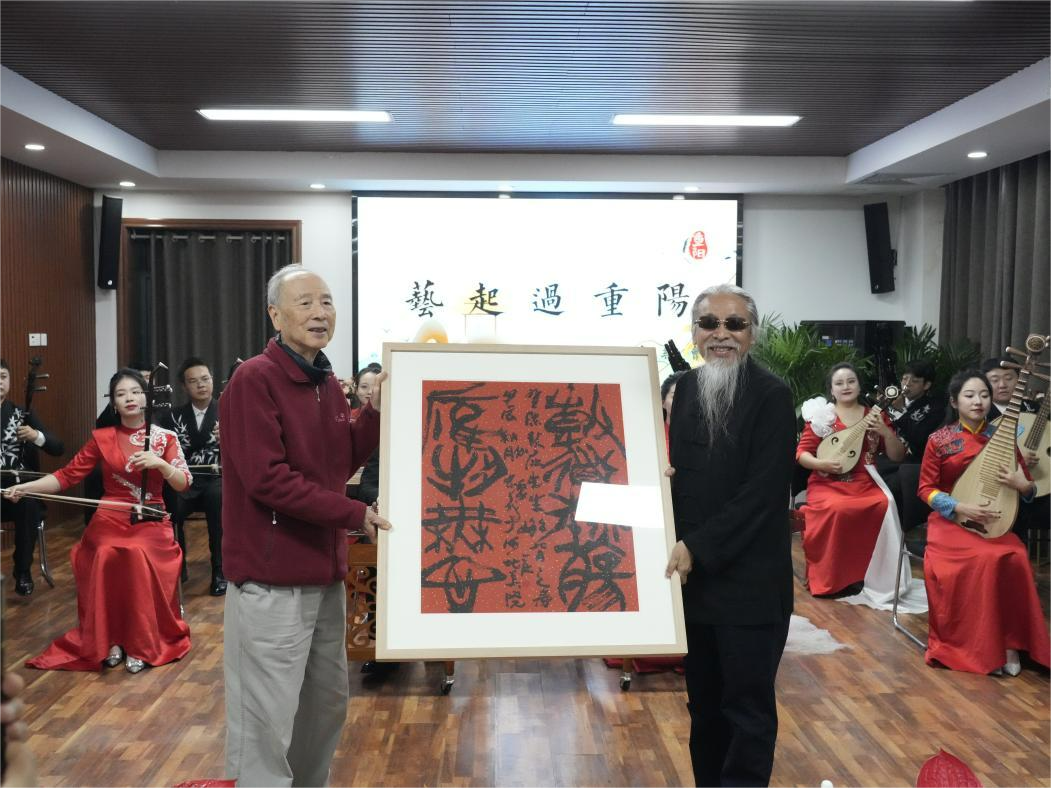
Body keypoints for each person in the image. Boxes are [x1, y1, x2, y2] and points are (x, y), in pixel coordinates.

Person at [221, 264, 390, 787]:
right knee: (265, 722)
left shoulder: (326, 384)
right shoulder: (254, 379)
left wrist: (374, 414)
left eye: (327, 301)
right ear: (275, 315)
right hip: (271, 579)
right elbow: (267, 479)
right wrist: (354, 513)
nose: (320, 313)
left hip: (325, 574)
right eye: (305, 302)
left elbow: (339, 463)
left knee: (324, 707)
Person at [664, 283, 796, 787]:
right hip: (696, 584)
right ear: (695, 332)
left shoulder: (772, 395)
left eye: (734, 324)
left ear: (752, 334)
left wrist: (696, 547)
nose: (721, 334)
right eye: (709, 323)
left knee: (747, 713)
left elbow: (761, 495)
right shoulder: (687, 388)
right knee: (704, 708)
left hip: (750, 588)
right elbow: (685, 477)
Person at [3, 369, 192, 674]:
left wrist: (160, 464)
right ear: (113, 403)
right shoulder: (103, 438)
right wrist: (26, 488)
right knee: (103, 551)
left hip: (150, 515)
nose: (129, 398)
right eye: (121, 394)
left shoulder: (165, 438)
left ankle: (141, 642)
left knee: (137, 554)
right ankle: (110, 639)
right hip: (110, 514)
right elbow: (66, 476)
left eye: (135, 392)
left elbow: (183, 483)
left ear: (146, 397)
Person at [918, 369, 1051, 675]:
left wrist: (1023, 485)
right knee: (985, 559)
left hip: (993, 520)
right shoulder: (939, 440)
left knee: (1014, 555)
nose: (978, 401)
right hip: (950, 523)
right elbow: (925, 489)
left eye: (984, 395)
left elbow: (1028, 490)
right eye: (969, 395)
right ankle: (978, 647)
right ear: (955, 401)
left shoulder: (1002, 438)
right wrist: (958, 506)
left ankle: (1010, 642)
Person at [796, 363, 912, 604]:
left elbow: (897, 456)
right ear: (831, 389)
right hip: (827, 483)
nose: (845, 386)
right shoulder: (823, 417)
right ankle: (833, 579)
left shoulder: (875, 415)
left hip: (865, 480)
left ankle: (870, 577)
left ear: (859, 386)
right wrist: (822, 464)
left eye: (851, 381)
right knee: (837, 509)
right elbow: (802, 453)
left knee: (884, 503)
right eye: (839, 383)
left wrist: (885, 432)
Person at [0, 358, 64, 595]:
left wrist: (36, 435)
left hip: (18, 493)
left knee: (28, 504)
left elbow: (58, 448)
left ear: (9, 381)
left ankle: (23, 570)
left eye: (2, 377)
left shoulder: (22, 414)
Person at [162, 356, 225, 595]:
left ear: (212, 380)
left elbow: (249, 448)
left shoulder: (228, 411)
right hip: (185, 479)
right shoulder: (171, 416)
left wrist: (228, 439)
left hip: (216, 479)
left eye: (205, 379)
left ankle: (220, 571)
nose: (201, 385)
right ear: (184, 386)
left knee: (218, 500)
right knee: (170, 502)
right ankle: (178, 567)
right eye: (193, 381)